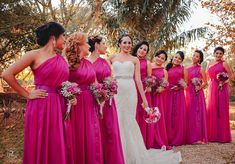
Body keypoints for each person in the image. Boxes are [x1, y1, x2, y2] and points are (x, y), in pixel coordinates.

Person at [2, 22, 72, 164]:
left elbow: (63, 82)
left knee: (57, 143)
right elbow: (7, 74)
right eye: (63, 36)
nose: (65, 39)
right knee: (39, 141)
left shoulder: (62, 59)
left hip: (59, 105)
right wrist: (27, 94)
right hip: (40, 104)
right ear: (53, 38)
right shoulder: (33, 55)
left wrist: (70, 95)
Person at [108, 34, 181, 164]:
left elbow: (137, 79)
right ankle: (116, 152)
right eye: (124, 42)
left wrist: (144, 99)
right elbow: (107, 75)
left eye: (129, 43)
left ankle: (132, 153)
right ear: (119, 44)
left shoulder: (134, 59)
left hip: (130, 90)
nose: (127, 45)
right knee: (117, 119)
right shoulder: (112, 58)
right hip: (117, 91)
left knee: (129, 119)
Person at [64, 32, 103, 164]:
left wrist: (103, 93)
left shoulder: (89, 63)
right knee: (77, 136)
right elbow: (61, 84)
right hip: (75, 105)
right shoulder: (66, 63)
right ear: (79, 46)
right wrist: (69, 96)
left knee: (91, 135)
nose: (88, 45)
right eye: (86, 43)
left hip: (90, 102)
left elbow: (94, 83)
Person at [87, 35, 124, 164]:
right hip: (91, 100)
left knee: (110, 131)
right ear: (96, 45)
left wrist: (111, 87)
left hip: (107, 100)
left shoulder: (105, 62)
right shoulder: (86, 62)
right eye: (103, 43)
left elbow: (111, 77)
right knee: (94, 132)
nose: (106, 46)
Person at [207, 47, 234, 143]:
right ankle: (213, 135)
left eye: (220, 53)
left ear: (223, 55)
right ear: (214, 53)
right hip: (212, 88)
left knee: (221, 109)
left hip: (221, 88)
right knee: (212, 109)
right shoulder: (209, 64)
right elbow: (208, 77)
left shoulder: (224, 63)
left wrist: (223, 81)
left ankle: (222, 136)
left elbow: (232, 76)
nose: (218, 55)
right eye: (217, 53)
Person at [131, 41, 154, 149]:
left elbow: (150, 77)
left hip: (143, 91)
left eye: (145, 49)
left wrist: (149, 86)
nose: (142, 51)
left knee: (142, 114)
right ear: (137, 48)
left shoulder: (147, 63)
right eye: (141, 48)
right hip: (130, 89)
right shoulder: (130, 59)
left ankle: (143, 142)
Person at [185, 50, 208, 144]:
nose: (194, 57)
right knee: (190, 113)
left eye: (197, 56)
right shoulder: (187, 68)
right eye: (194, 55)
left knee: (197, 113)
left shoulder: (201, 69)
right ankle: (191, 136)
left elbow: (206, 82)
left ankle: (198, 137)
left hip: (197, 93)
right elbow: (186, 82)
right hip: (189, 92)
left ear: (200, 59)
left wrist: (199, 87)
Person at [165, 51, 187, 146]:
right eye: (176, 57)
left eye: (179, 59)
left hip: (178, 94)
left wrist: (180, 87)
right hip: (167, 93)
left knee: (177, 115)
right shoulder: (167, 67)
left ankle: (177, 138)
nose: (177, 59)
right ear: (173, 57)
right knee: (168, 114)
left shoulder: (183, 69)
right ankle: (167, 138)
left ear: (181, 61)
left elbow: (186, 83)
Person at [151, 50, 170, 149]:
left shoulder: (164, 71)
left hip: (157, 96)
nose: (159, 59)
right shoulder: (149, 66)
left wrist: (161, 88)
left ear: (164, 61)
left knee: (156, 116)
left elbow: (165, 84)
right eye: (158, 56)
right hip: (148, 94)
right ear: (155, 56)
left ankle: (157, 139)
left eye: (162, 58)